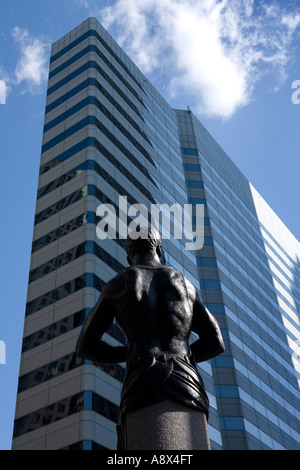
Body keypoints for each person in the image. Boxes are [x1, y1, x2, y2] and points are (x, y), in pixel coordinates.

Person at [76, 227, 225, 450]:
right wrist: (184, 359)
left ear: (129, 257)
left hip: (141, 379)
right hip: (187, 384)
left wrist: (126, 353)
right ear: (159, 248)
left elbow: (85, 346)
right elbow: (216, 342)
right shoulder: (185, 285)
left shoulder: (119, 284)